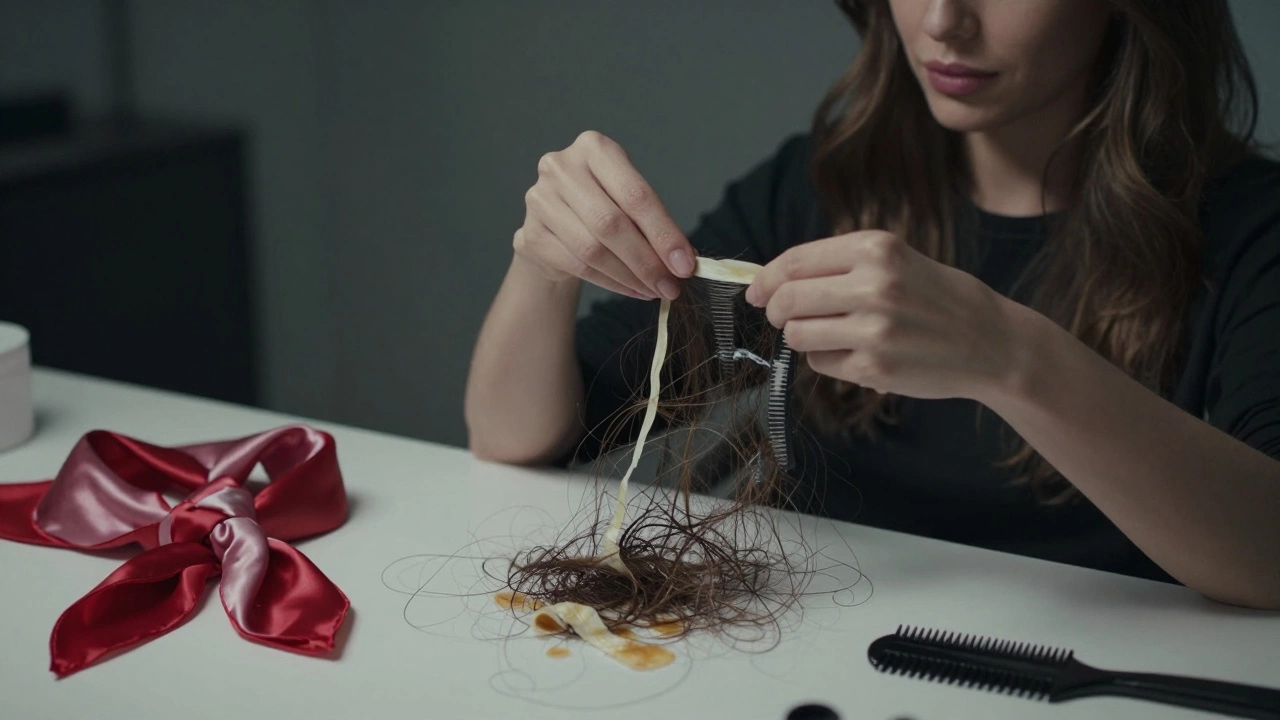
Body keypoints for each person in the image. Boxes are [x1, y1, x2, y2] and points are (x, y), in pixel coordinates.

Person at [464, 0, 1280, 610]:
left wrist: (1013, 357)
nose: (943, 21)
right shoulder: (824, 182)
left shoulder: (1250, 229)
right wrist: (543, 262)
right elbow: (517, 436)